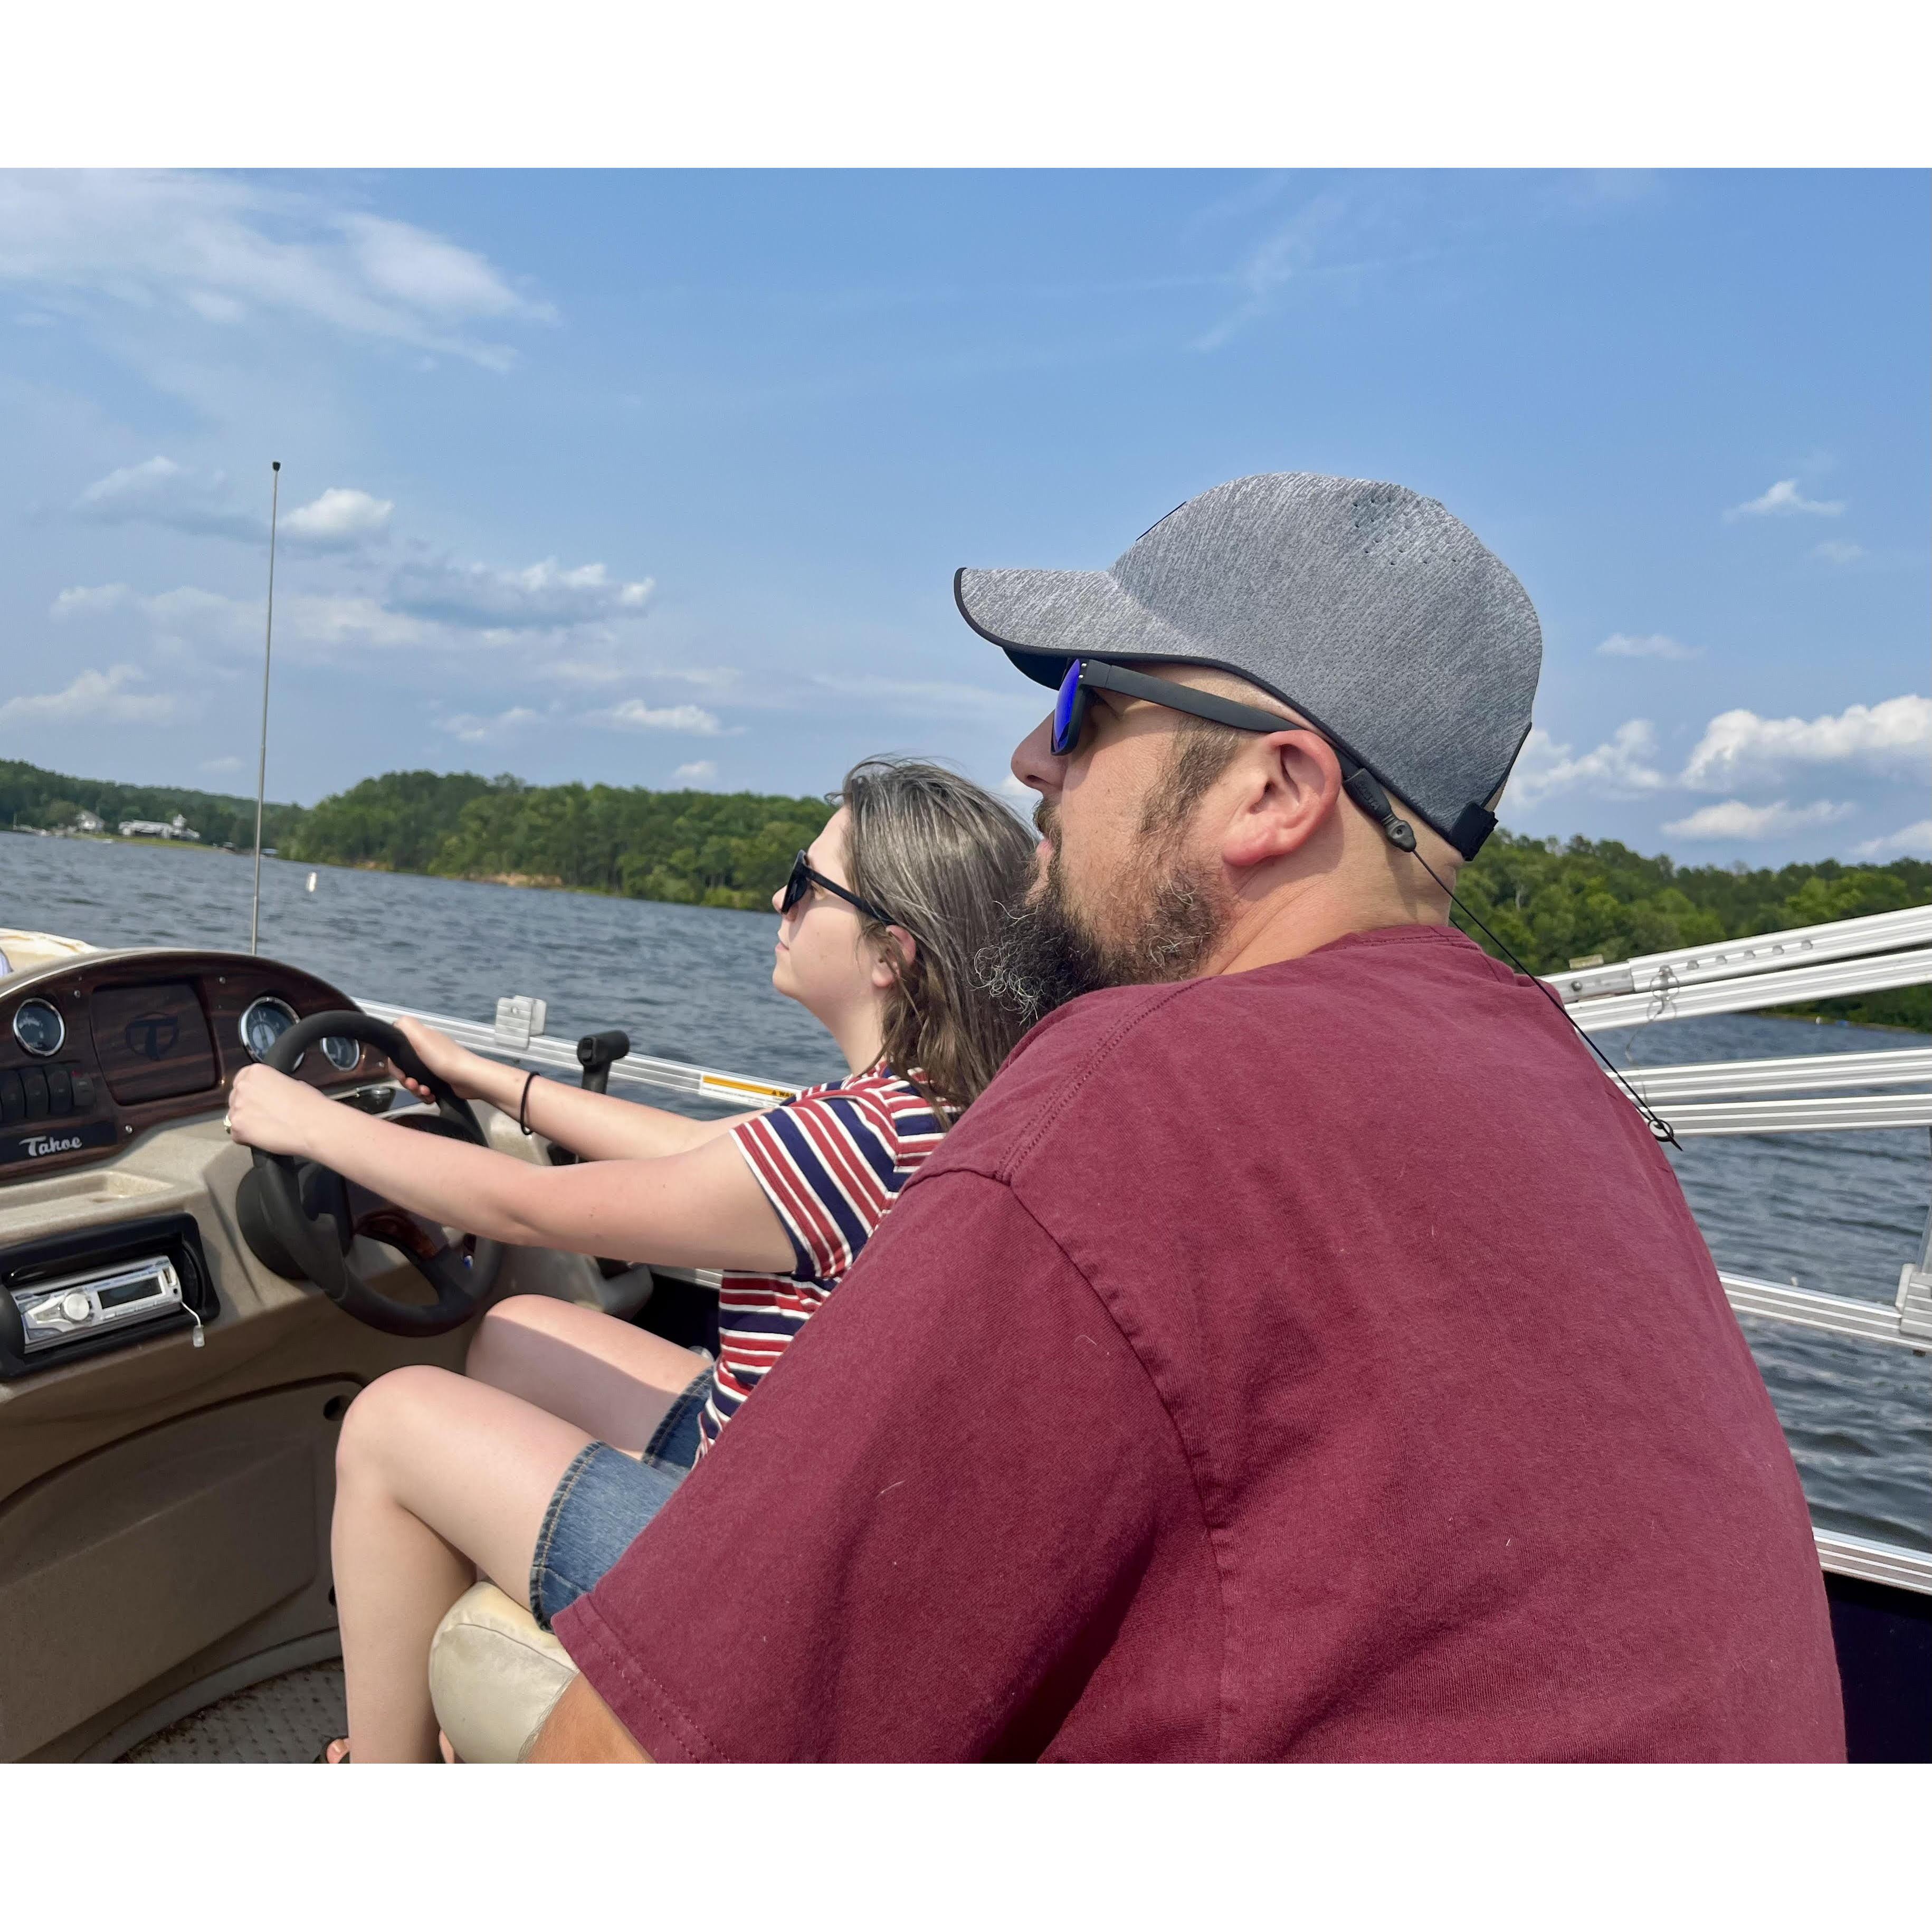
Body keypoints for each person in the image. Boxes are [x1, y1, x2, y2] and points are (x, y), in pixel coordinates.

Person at [530, 473, 1846, 1763]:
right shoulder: (1582, 1109)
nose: (1032, 757)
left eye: (1084, 704)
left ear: (1274, 791)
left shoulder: (1141, 1085)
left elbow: (640, 1764)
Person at [226, 757, 1035, 1762]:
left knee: (390, 1422)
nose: (777, 899)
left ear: (889, 953)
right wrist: (482, 1075)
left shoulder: (852, 1138)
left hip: (756, 1586)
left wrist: (307, 1121)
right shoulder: (918, 1106)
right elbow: (690, 1150)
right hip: (799, 1495)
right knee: (518, 1333)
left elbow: (520, 1204)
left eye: (806, 881)